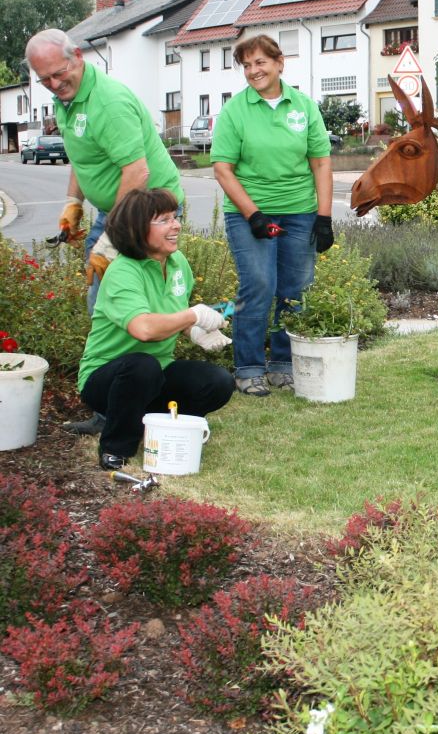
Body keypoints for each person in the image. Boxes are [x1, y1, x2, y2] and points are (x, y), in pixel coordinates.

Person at [26, 28, 184, 435]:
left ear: (77, 56)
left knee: (117, 301)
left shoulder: (108, 102)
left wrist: (110, 241)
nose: (54, 85)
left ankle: (118, 407)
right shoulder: (68, 99)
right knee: (103, 304)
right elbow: (84, 155)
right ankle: (119, 401)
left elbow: (137, 172)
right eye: (44, 80)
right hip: (113, 209)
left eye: (59, 75)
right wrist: (73, 202)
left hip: (144, 211)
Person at [78, 189, 235, 471]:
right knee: (142, 366)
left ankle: (166, 429)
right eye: (163, 220)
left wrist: (194, 331)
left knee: (218, 381)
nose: (176, 225)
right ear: (137, 229)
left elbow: (175, 311)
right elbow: (145, 329)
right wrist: (193, 315)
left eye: (175, 218)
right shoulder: (123, 272)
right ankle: (116, 448)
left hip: (156, 373)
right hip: (106, 379)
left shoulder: (178, 264)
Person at [212, 34, 334, 397]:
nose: (253, 71)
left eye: (260, 62)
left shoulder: (304, 107)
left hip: (299, 212)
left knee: (294, 290)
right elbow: (222, 168)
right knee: (259, 285)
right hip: (250, 212)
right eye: (246, 65)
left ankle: (283, 364)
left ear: (280, 63)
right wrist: (254, 216)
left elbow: (321, 162)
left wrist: (323, 218)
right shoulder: (236, 110)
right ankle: (249, 368)